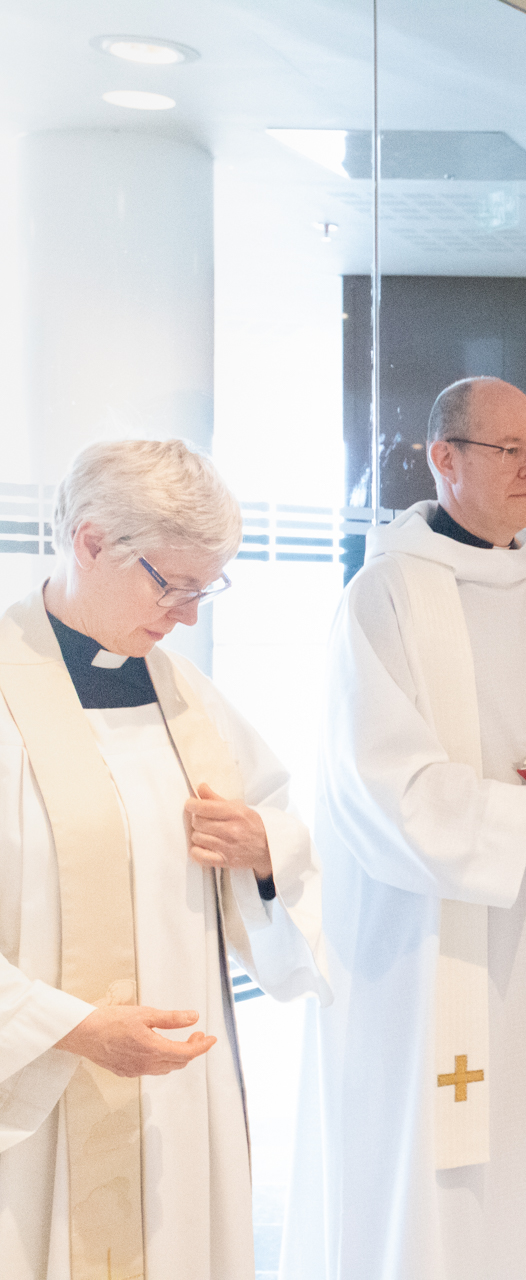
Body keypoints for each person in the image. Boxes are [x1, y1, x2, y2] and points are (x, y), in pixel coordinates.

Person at [290, 377, 526, 1280]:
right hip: (428, 937)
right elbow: (379, 782)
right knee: (440, 1155)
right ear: (443, 458)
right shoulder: (386, 596)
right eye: (509, 451)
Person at [0, 439, 327, 1280]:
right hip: (36, 1095)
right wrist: (71, 1028)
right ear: (90, 541)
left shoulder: (185, 695)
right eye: (171, 585)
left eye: (204, 589)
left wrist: (263, 850)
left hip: (178, 1098)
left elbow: (279, 827)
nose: (187, 616)